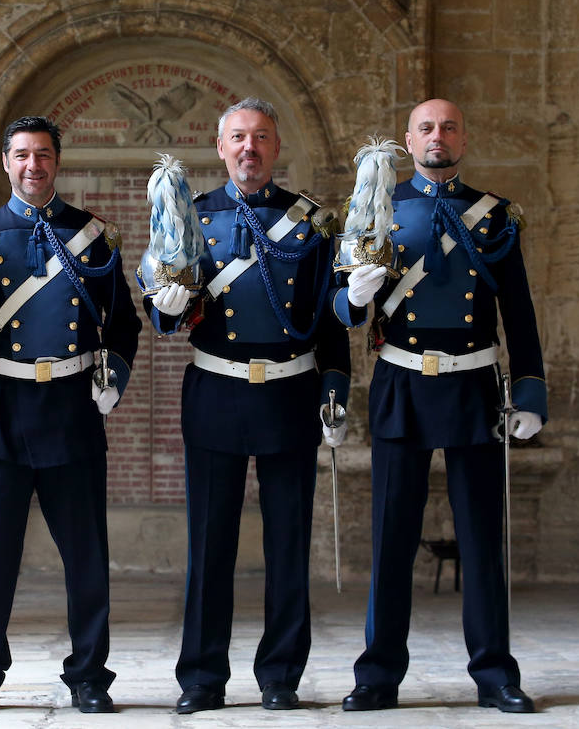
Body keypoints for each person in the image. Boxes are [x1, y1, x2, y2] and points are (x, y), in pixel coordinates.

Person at [0, 115, 142, 715]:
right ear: (6, 163)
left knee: (86, 556)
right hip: (3, 407)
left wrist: (114, 375)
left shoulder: (93, 236)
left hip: (71, 407)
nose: (31, 165)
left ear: (56, 162)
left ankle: (90, 675)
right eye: (20, 155)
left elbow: (122, 322)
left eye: (42, 154)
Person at [333, 98, 546, 714]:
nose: (437, 136)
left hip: (475, 385)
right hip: (402, 382)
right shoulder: (377, 208)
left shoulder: (495, 217)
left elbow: (521, 313)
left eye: (449, 126)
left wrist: (529, 390)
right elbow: (342, 313)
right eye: (426, 127)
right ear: (408, 139)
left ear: (463, 138)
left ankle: (495, 673)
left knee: (482, 540)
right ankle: (377, 675)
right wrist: (353, 294)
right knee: (391, 538)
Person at [147, 97, 349, 714]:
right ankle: (203, 678)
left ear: (276, 148)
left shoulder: (311, 222)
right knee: (210, 547)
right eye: (237, 137)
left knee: (289, 544)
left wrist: (335, 386)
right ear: (220, 148)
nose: (249, 148)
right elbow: (161, 319)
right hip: (217, 393)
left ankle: (281, 674)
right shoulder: (191, 216)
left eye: (260, 137)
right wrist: (169, 303)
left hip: (290, 392)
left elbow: (332, 324)